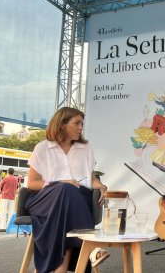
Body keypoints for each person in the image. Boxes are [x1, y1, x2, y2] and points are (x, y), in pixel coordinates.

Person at [26, 107, 109, 273]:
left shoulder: (85, 148)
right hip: (46, 199)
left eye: (82, 124)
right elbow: (31, 183)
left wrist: (100, 185)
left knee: (67, 206)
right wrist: (57, 183)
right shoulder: (42, 148)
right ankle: (92, 248)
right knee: (65, 189)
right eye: (77, 123)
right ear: (62, 124)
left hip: (76, 201)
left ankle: (58, 268)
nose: (81, 128)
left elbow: (89, 178)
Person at [0, 167, 18, 232]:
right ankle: (9, 227)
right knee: (11, 213)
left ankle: (2, 227)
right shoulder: (16, 179)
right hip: (12, 197)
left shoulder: (6, 178)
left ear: (8, 171)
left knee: (3, 212)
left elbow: (0, 186)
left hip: (5, 196)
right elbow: (17, 187)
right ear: (13, 172)